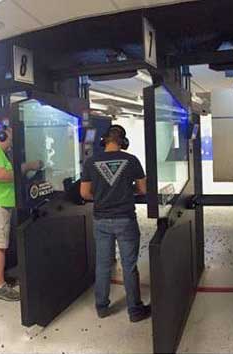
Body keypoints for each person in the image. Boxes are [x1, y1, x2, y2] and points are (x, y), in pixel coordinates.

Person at [80, 125, 152, 322]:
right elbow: (143, 189)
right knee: (129, 266)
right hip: (125, 219)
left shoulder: (91, 162)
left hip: (101, 220)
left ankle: (101, 307)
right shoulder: (131, 160)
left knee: (102, 265)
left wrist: (103, 197)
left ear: (104, 140)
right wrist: (126, 192)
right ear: (123, 142)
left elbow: (84, 193)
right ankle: (135, 310)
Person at [0, 126, 41, 301]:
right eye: (11, 140)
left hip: (0, 203)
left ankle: (0, 279)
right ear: (2, 135)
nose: (11, 144)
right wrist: (26, 167)